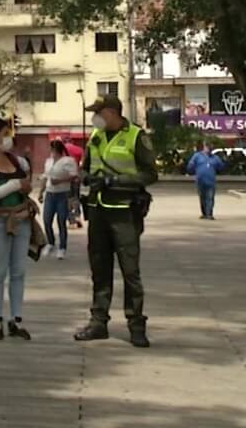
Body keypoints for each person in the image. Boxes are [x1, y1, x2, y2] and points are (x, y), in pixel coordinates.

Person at [75, 95, 157, 348]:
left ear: (111, 112)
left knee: (130, 272)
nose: (95, 118)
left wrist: (114, 181)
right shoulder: (96, 138)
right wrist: (87, 177)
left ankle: (136, 325)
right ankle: (98, 321)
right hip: (98, 211)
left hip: (125, 213)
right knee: (99, 269)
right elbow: (85, 167)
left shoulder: (135, 136)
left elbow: (150, 174)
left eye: (98, 113)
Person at [0, 117, 44, 341]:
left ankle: (16, 319)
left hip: (21, 219)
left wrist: (24, 186)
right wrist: (13, 185)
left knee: (19, 272)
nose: (9, 138)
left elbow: (25, 185)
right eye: (5, 133)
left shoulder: (14, 159)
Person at [42, 140, 79, 259]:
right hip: (50, 194)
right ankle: (50, 242)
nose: (51, 151)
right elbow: (45, 176)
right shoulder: (48, 162)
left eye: (52, 149)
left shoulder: (68, 161)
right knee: (47, 220)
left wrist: (60, 180)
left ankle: (62, 247)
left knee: (61, 221)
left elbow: (74, 176)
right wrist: (41, 191)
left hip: (62, 194)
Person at [186, 142, 224, 220]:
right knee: (202, 198)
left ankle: (209, 214)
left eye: (211, 148)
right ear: (204, 147)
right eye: (208, 147)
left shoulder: (215, 158)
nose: (209, 149)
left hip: (211, 181)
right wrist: (191, 171)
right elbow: (190, 166)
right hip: (200, 181)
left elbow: (221, 167)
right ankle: (204, 213)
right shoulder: (197, 156)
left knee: (210, 198)